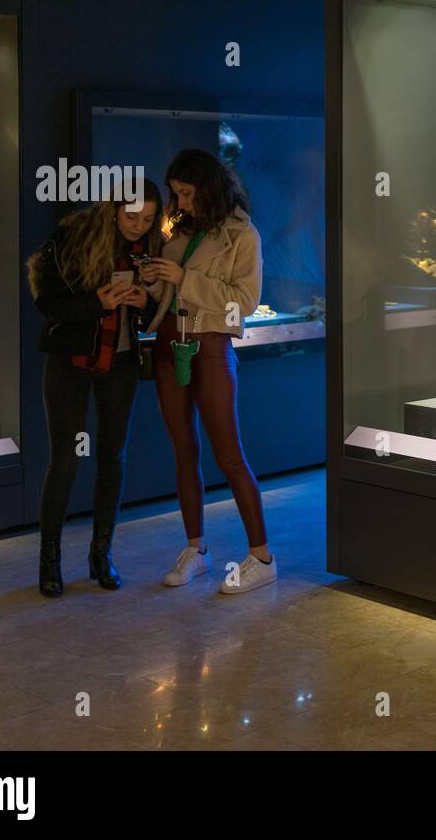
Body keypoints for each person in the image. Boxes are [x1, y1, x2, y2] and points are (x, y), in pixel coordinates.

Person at [141, 149, 274, 595]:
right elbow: (167, 291)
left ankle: (262, 557)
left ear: (208, 188)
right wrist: (149, 281)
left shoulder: (243, 233)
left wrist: (183, 278)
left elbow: (246, 301)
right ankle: (195, 550)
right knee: (183, 449)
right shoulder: (177, 229)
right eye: (175, 194)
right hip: (168, 344)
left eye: (186, 193)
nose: (179, 203)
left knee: (229, 455)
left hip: (211, 347)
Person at [26, 180, 164, 597]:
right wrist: (96, 304)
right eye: (131, 216)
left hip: (120, 362)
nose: (139, 226)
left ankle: (101, 555)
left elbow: (161, 313)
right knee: (65, 461)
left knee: (112, 458)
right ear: (113, 208)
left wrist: (146, 305)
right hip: (71, 361)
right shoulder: (73, 236)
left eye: (148, 219)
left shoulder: (152, 248)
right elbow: (46, 304)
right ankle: (49, 562)